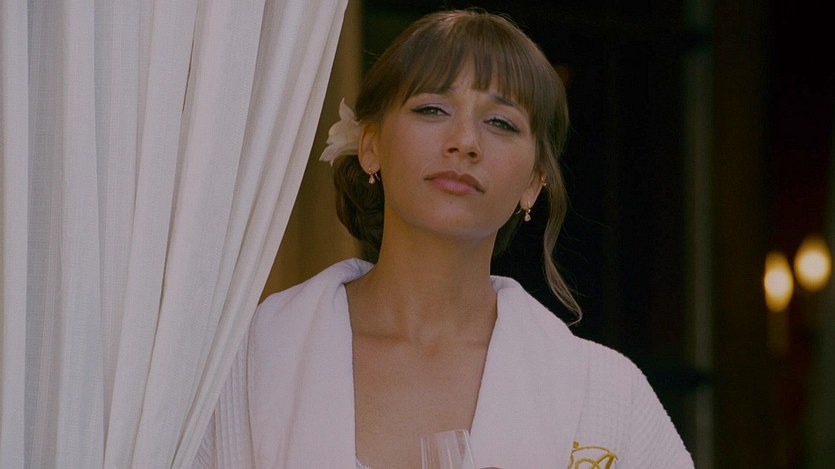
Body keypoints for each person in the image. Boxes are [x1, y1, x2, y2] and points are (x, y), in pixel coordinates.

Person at [193, 9, 694, 469]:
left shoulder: (605, 395)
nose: (465, 142)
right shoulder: (250, 360)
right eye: (433, 109)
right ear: (370, 146)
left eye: (500, 122)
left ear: (533, 182)